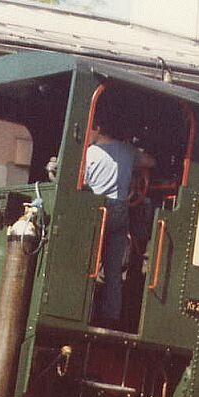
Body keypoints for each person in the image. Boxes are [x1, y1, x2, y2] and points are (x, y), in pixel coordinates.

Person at [84, 114, 155, 328]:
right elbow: (151, 162)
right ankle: (111, 316)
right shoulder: (127, 151)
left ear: (98, 128)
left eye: (90, 128)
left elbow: (81, 182)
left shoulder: (90, 153)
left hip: (97, 209)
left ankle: (84, 311)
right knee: (114, 269)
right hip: (121, 210)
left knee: (87, 262)